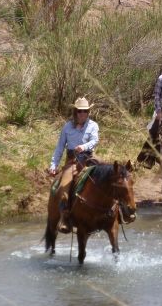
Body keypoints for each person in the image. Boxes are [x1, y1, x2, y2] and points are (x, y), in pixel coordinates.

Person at [48, 96, 99, 233]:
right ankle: (65, 218)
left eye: (85, 111)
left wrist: (84, 146)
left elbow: (95, 140)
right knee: (64, 188)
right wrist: (53, 165)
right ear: (75, 112)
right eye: (80, 111)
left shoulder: (93, 125)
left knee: (107, 177)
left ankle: (111, 213)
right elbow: (59, 147)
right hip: (72, 161)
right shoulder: (67, 127)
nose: (83, 114)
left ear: (89, 112)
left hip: (89, 159)